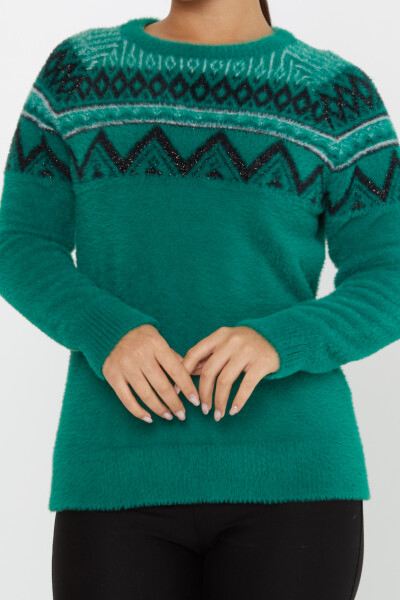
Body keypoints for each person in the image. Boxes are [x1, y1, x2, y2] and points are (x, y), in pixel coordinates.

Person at [1, 0, 399, 597]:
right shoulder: (80, 71)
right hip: (115, 473)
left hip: (295, 477)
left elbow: (389, 272)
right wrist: (106, 329)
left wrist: (279, 340)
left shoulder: (334, 94)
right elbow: (21, 241)